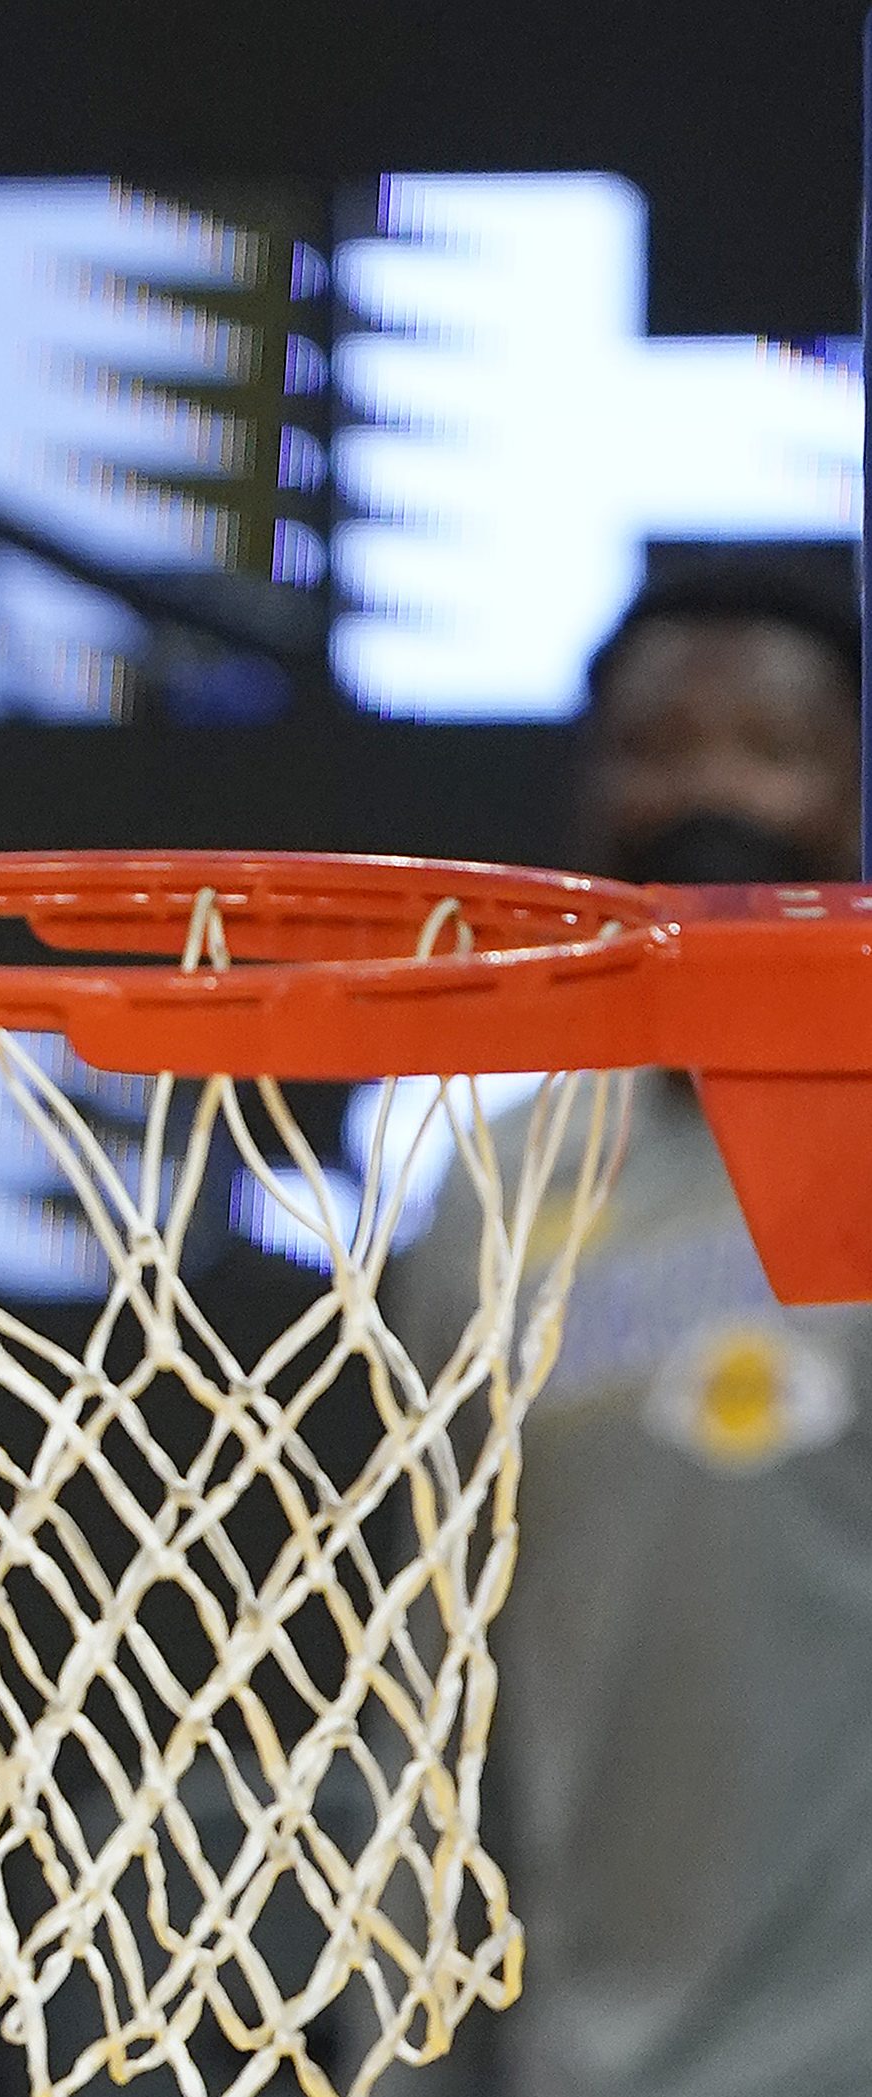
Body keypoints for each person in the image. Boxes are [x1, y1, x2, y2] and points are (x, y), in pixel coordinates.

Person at [390, 555, 869, 2097]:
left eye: (769, 743)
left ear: (852, 791)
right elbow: (429, 1686)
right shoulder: (490, 1199)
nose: (705, 787)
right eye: (655, 744)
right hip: (591, 2059)